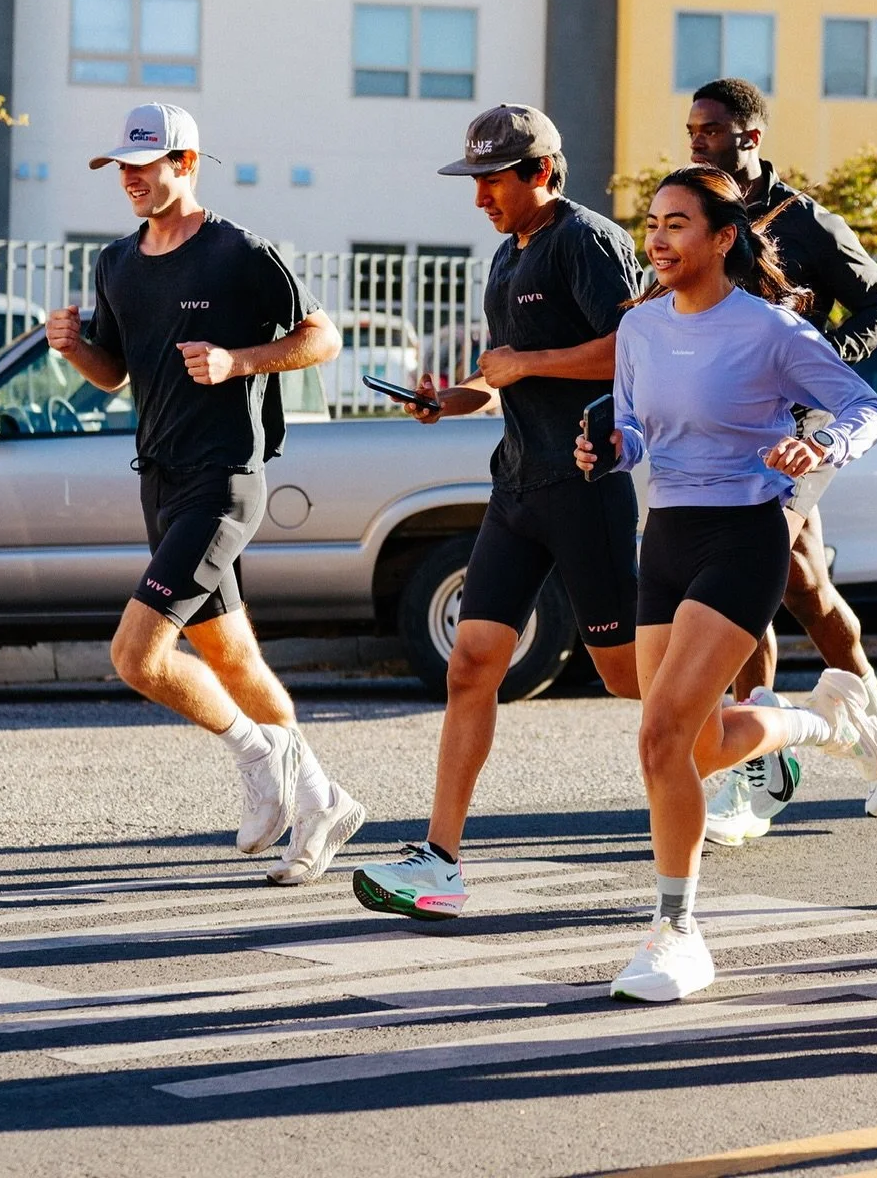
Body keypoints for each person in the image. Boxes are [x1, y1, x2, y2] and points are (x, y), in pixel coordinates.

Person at [578, 165, 877, 1002]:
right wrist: (612, 448)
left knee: (659, 742)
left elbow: (866, 407)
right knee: (698, 743)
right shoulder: (640, 329)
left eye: (677, 224)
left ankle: (676, 933)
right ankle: (819, 720)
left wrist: (822, 448)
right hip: (669, 534)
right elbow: (636, 426)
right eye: (653, 224)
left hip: (745, 534)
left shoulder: (771, 330)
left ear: (723, 239)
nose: (658, 239)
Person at [46, 103, 361, 884]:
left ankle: (260, 761)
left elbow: (323, 337)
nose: (129, 178)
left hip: (223, 482)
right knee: (235, 658)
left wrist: (237, 361)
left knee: (136, 655)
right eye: (121, 166)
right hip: (158, 477)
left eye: (143, 165)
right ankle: (322, 800)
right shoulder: (117, 262)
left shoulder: (241, 253)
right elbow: (115, 371)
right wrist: (73, 346)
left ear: (184, 164)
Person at [354, 105, 644, 922]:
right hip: (516, 487)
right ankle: (439, 860)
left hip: (586, 485)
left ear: (541, 173)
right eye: (474, 180)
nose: (479, 195)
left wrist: (525, 362)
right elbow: (507, 375)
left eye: (492, 180)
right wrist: (457, 397)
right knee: (472, 664)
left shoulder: (586, 240)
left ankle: (771, 734)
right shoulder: (505, 254)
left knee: (628, 679)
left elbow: (632, 349)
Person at [686, 79, 877, 836]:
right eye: (691, 129)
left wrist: (815, 363)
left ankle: (759, 769)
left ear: (749, 138)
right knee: (804, 587)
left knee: (744, 574)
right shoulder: (701, 213)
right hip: (732, 427)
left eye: (711, 130)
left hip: (801, 428)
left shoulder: (806, 221)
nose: (696, 140)